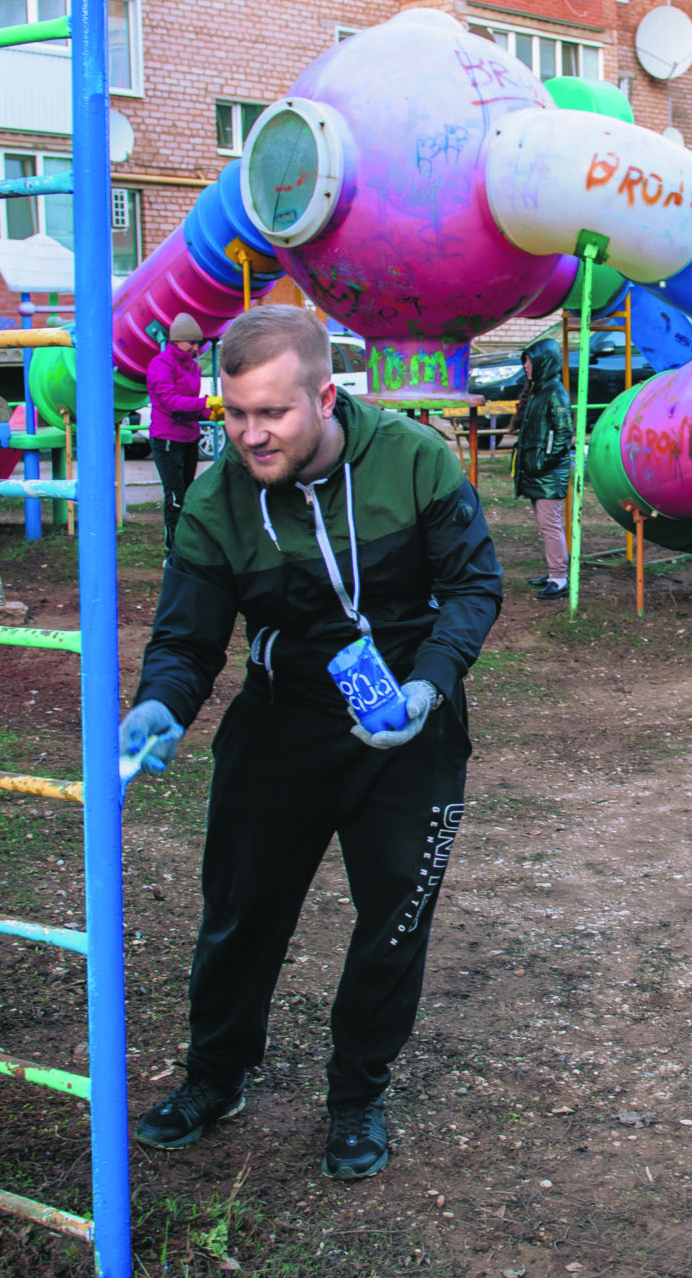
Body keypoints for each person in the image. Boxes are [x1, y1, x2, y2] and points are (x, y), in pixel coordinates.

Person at [116, 305, 503, 1180]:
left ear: (325, 396)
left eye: (272, 413)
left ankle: (358, 1094)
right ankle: (216, 1076)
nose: (250, 434)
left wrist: (428, 681)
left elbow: (475, 583)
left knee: (393, 921)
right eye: (235, 412)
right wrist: (161, 704)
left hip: (408, 721)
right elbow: (186, 638)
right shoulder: (218, 496)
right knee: (241, 911)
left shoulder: (414, 458)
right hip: (282, 722)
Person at [512, 337, 574, 600]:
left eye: (529, 361)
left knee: (550, 526)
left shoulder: (554, 393)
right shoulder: (540, 390)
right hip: (540, 473)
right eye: (525, 361)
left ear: (543, 362)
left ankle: (559, 579)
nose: (526, 366)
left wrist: (543, 462)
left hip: (548, 474)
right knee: (546, 525)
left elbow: (564, 433)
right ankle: (553, 573)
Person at [145, 312, 212, 551]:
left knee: (187, 494)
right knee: (175, 496)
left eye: (198, 343)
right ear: (177, 341)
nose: (196, 348)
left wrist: (212, 413)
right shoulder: (160, 365)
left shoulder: (192, 367)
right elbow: (172, 403)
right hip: (167, 439)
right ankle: (172, 549)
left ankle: (185, 547)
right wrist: (206, 404)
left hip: (189, 437)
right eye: (192, 343)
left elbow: (188, 405)